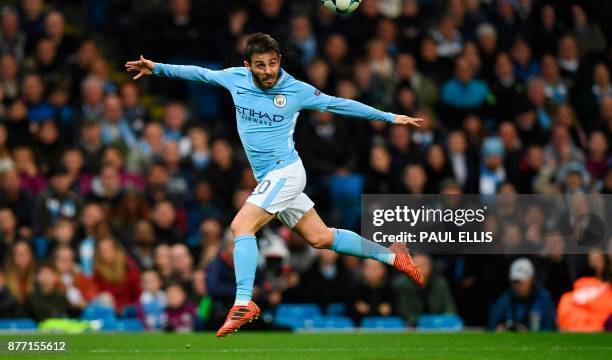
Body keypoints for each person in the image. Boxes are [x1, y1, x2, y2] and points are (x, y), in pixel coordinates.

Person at [126, 33, 425, 337]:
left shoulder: (296, 89)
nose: (268, 71)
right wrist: (157, 68)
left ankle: (243, 302)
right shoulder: (236, 78)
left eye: (272, 63)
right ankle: (391, 255)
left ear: (279, 60)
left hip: (287, 172)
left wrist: (388, 117)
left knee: (241, 226)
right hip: (270, 177)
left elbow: (338, 104)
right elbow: (200, 74)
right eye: (260, 65)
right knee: (321, 238)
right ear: (248, 65)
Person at [489, 258, 556, 331]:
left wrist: (528, 331)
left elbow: (551, 327)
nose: (518, 286)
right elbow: (491, 325)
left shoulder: (544, 299)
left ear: (531, 279)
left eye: (521, 282)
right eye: (515, 282)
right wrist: (500, 328)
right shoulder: (505, 299)